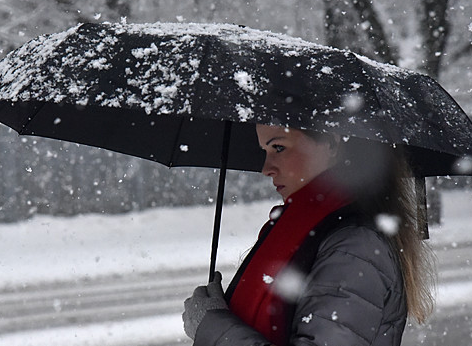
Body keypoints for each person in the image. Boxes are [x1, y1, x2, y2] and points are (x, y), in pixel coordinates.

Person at [182, 124, 436, 346]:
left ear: (333, 143)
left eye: (278, 148)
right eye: (264, 151)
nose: (266, 168)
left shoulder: (355, 246)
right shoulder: (308, 226)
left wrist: (213, 328)